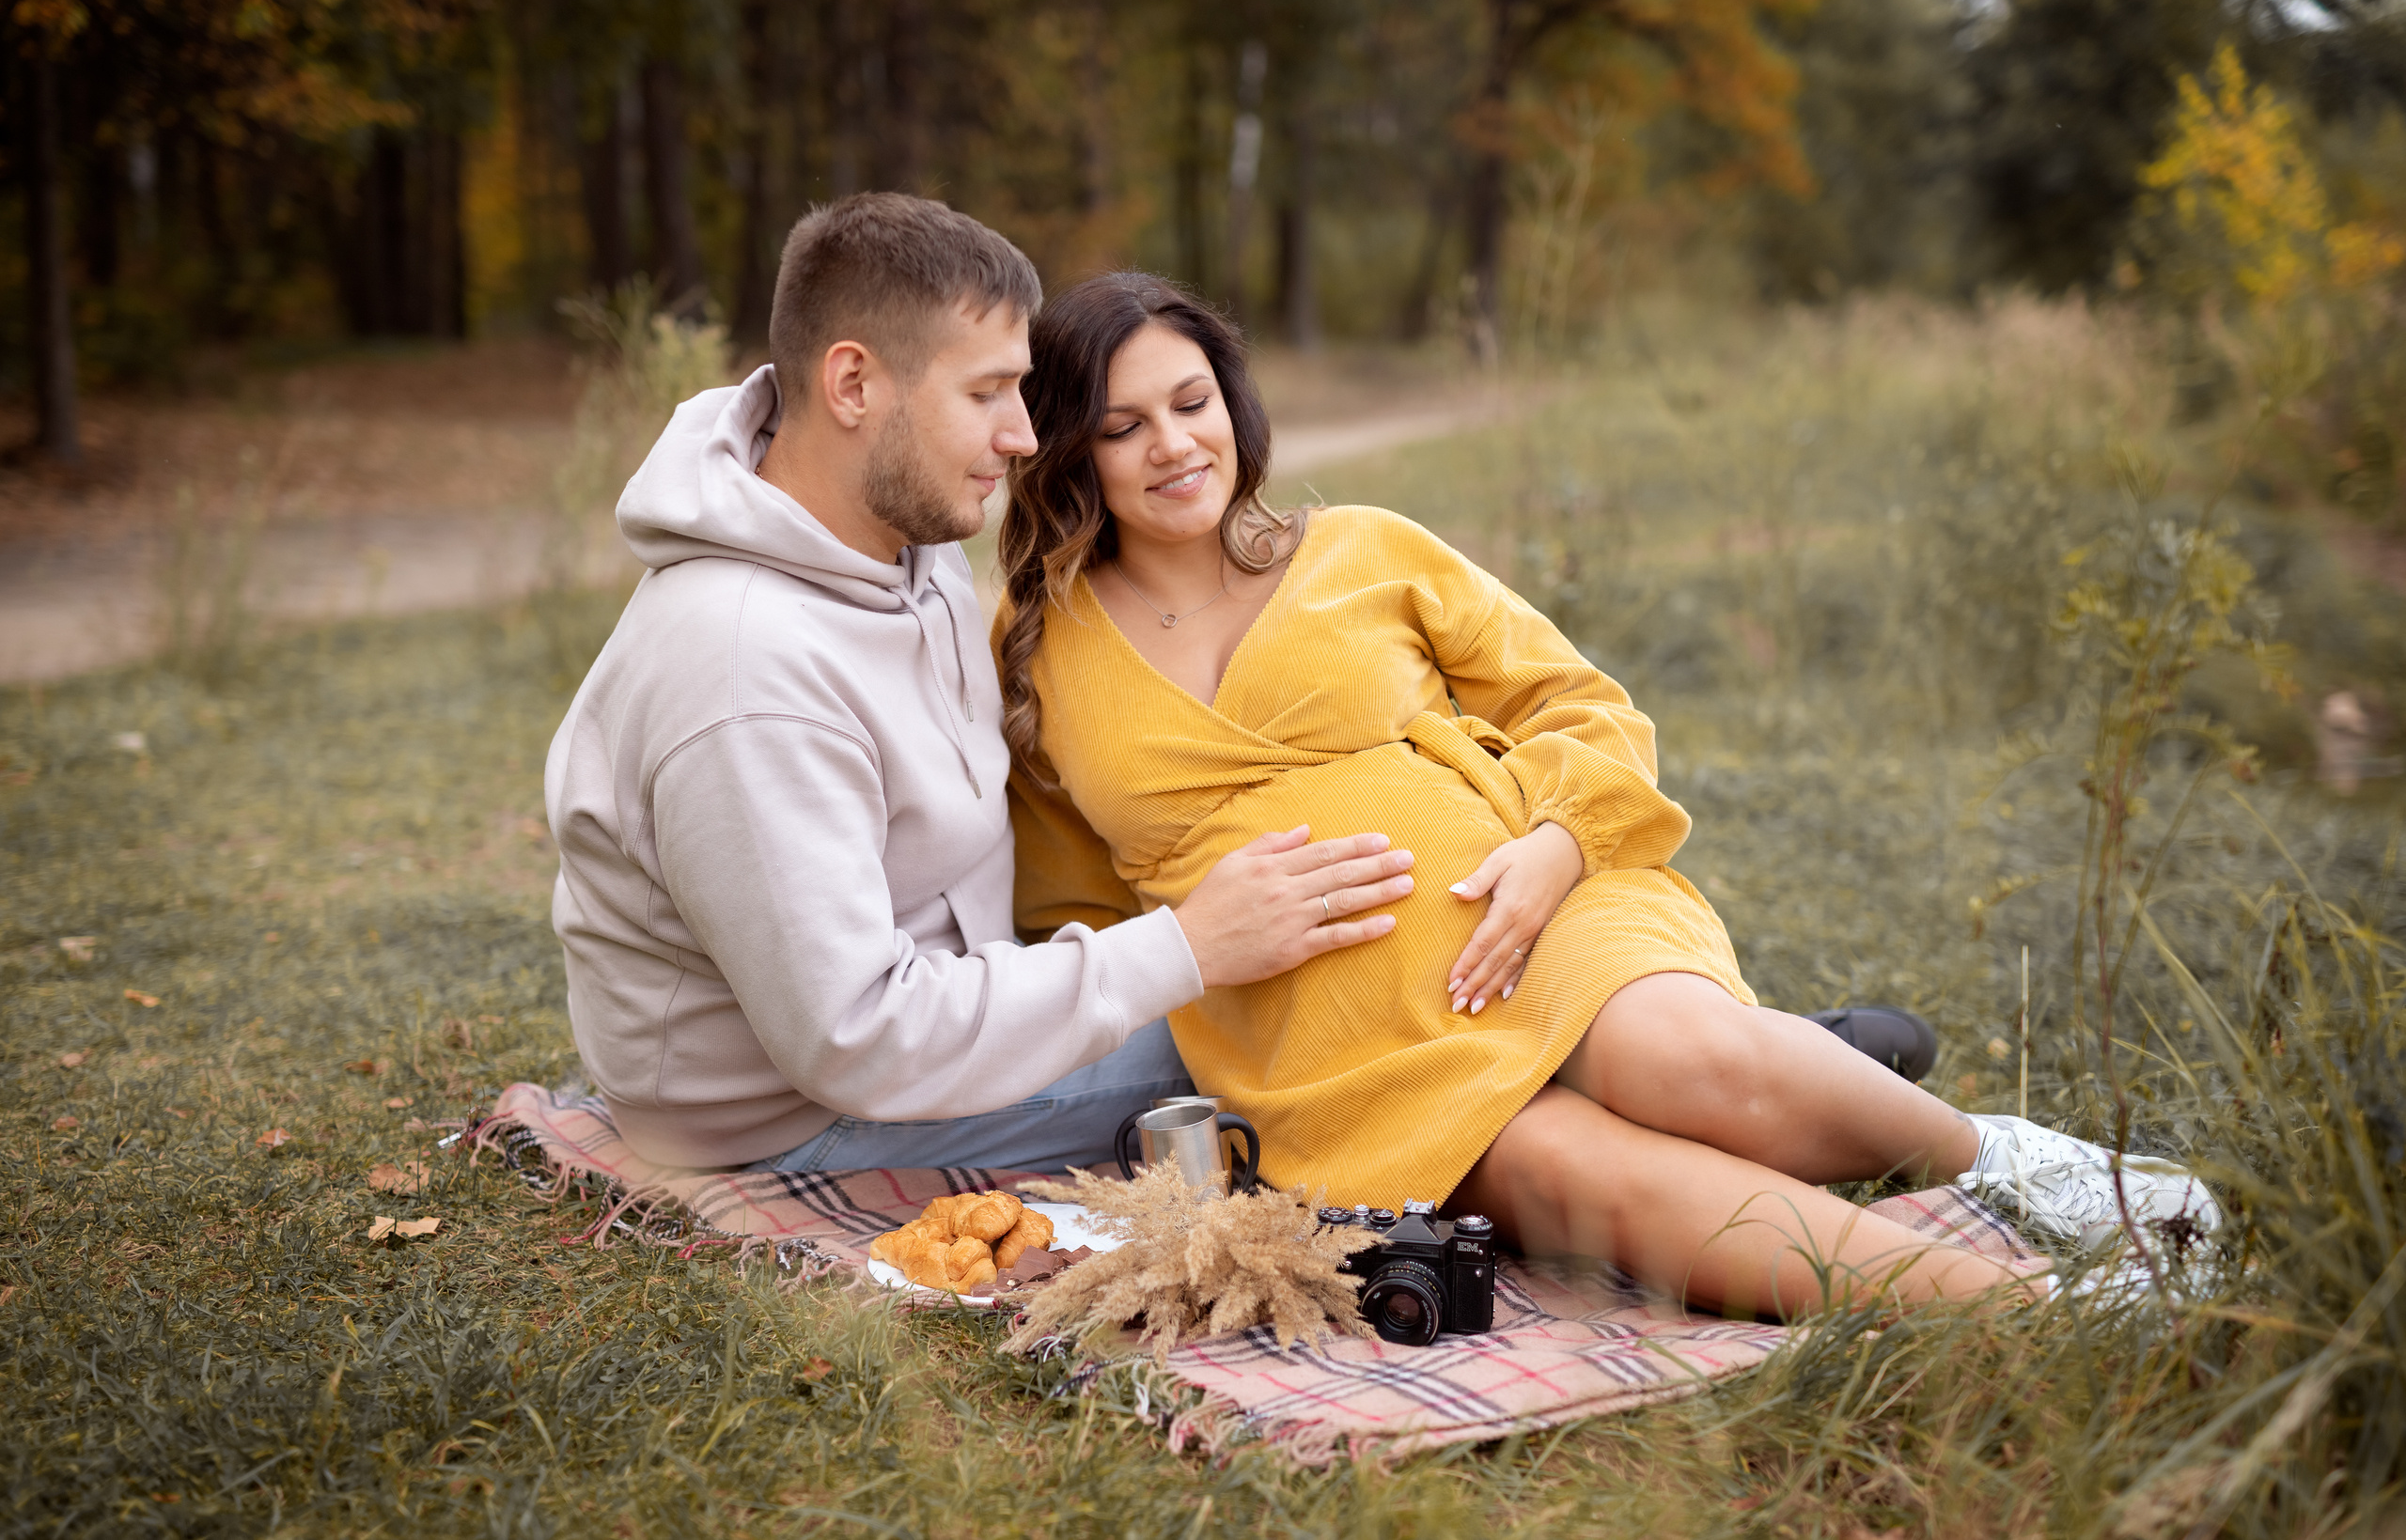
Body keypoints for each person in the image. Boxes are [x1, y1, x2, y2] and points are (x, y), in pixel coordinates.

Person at [996, 271, 2219, 1315]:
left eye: (1191, 401)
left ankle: (2001, 1159)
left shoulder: (1363, 546)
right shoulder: (1038, 645)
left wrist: (1560, 845)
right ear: (1067, 449)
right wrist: (1195, 950)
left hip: (1527, 906)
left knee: (1684, 1059)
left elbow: (1582, 703)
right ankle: (2034, 1312)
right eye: (1121, 425)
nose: (1172, 445)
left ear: (1233, 402)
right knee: (1591, 1177)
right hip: (1328, 1038)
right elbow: (1071, 914)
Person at [544, 195, 1414, 1175]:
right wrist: (1186, 948)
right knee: (1332, 1011)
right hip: (805, 1115)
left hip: (951, 1017)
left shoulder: (903, 549)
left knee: (1342, 976)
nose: (1024, 437)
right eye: (988, 393)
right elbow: (856, 1039)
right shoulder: (747, 670)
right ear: (852, 384)